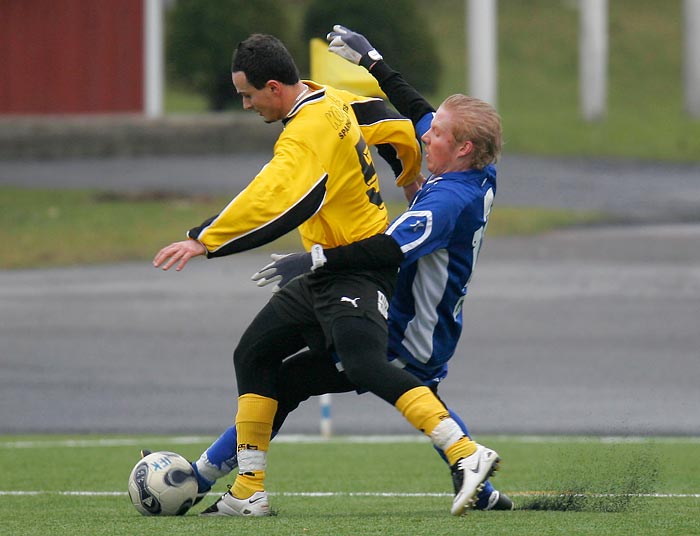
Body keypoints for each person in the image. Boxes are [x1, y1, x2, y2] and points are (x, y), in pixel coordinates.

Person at [154, 32, 501, 519]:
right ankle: (238, 486)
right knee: (266, 361)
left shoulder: (448, 202)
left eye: (438, 134)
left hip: (412, 317)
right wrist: (373, 61)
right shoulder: (341, 106)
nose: (427, 135)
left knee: (373, 369)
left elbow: (379, 247)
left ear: (463, 149)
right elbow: (403, 115)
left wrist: (212, 240)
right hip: (369, 285)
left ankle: (467, 454)